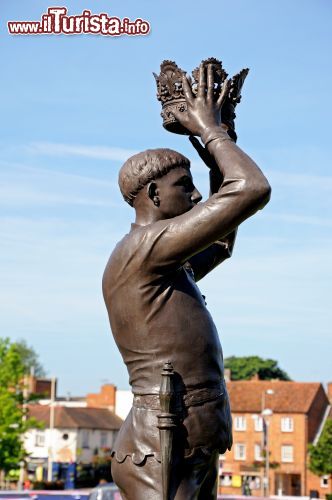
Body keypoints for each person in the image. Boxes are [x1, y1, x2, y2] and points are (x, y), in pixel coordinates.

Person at [102, 64, 271, 499]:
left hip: (189, 439)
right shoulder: (143, 250)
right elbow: (250, 188)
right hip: (160, 445)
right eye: (185, 186)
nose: (197, 197)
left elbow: (223, 239)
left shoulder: (167, 261)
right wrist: (213, 134)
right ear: (154, 195)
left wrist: (221, 144)